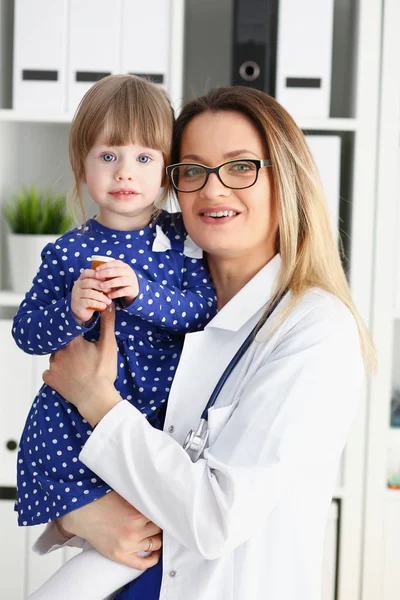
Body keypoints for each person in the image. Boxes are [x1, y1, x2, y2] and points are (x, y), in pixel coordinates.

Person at [37, 86, 374, 600]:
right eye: (192, 170)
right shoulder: (150, 307)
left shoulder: (313, 330)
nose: (213, 190)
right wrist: (75, 516)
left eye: (240, 167)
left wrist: (95, 400)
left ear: (286, 180)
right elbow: (120, 470)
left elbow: (216, 517)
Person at [12, 75, 216, 598]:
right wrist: (72, 311)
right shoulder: (67, 251)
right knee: (110, 547)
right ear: (82, 163)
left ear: (168, 171)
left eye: (145, 158)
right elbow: (27, 332)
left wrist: (142, 292)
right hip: (73, 423)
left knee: (145, 544)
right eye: (108, 156)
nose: (125, 172)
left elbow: (203, 310)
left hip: (154, 423)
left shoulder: (182, 239)